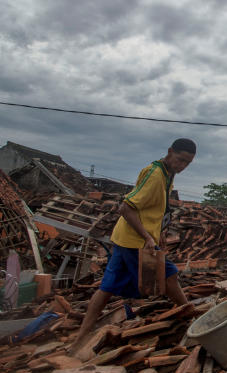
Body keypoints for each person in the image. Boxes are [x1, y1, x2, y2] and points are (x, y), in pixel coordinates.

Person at [70, 138, 196, 355]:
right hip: (135, 242)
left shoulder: (167, 175)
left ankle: (81, 337)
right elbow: (126, 208)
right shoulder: (155, 175)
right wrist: (148, 237)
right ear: (170, 152)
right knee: (170, 275)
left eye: (187, 163)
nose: (182, 166)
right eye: (180, 160)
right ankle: (191, 316)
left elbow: (153, 210)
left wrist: (160, 232)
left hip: (125, 239)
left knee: (107, 288)